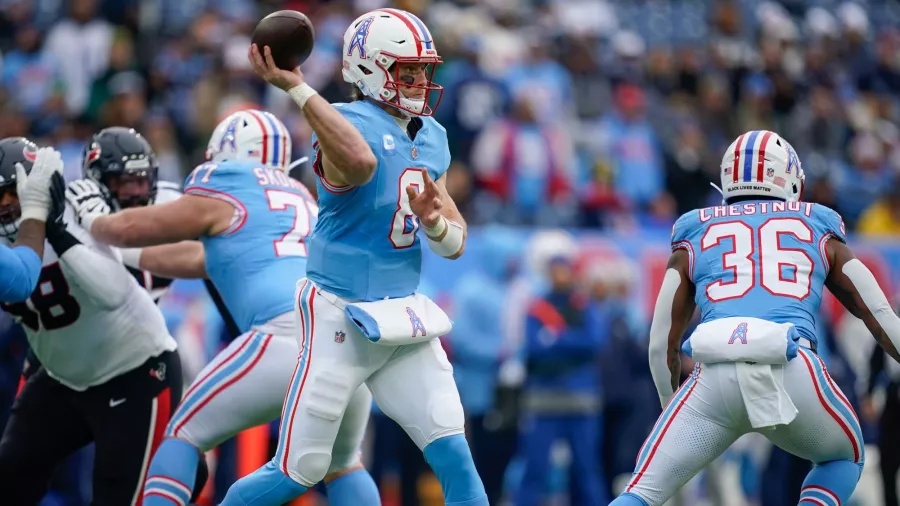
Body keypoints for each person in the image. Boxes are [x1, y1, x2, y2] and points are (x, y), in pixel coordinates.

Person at [217, 8, 487, 506]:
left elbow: (455, 243)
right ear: (371, 69)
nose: (421, 80)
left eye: (424, 70)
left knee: (455, 453)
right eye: (409, 70)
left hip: (399, 316)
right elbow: (362, 164)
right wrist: (298, 89)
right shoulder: (342, 125)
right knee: (298, 471)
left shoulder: (431, 136)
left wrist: (433, 222)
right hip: (337, 316)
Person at [65, 109, 379, 506]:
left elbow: (127, 229)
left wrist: (93, 217)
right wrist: (123, 254)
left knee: (182, 434)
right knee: (344, 463)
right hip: (348, 342)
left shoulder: (226, 184)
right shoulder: (302, 199)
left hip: (288, 334)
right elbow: (204, 260)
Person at [610, 130, 900, 505]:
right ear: (790, 178)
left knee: (641, 493)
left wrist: (674, 408)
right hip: (792, 365)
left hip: (712, 375)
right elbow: (879, 316)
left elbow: (659, 341)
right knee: (844, 458)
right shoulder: (816, 223)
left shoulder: (695, 228)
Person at [0, 135, 183, 505]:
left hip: (134, 372)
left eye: (13, 192)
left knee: (118, 496)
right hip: (62, 378)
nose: (5, 204)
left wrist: (53, 227)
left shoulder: (70, 210)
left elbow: (114, 292)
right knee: (9, 479)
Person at [0, 138, 66, 302]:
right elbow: (21, 281)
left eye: (14, 191)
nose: (5, 203)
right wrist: (36, 208)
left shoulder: (77, 213)